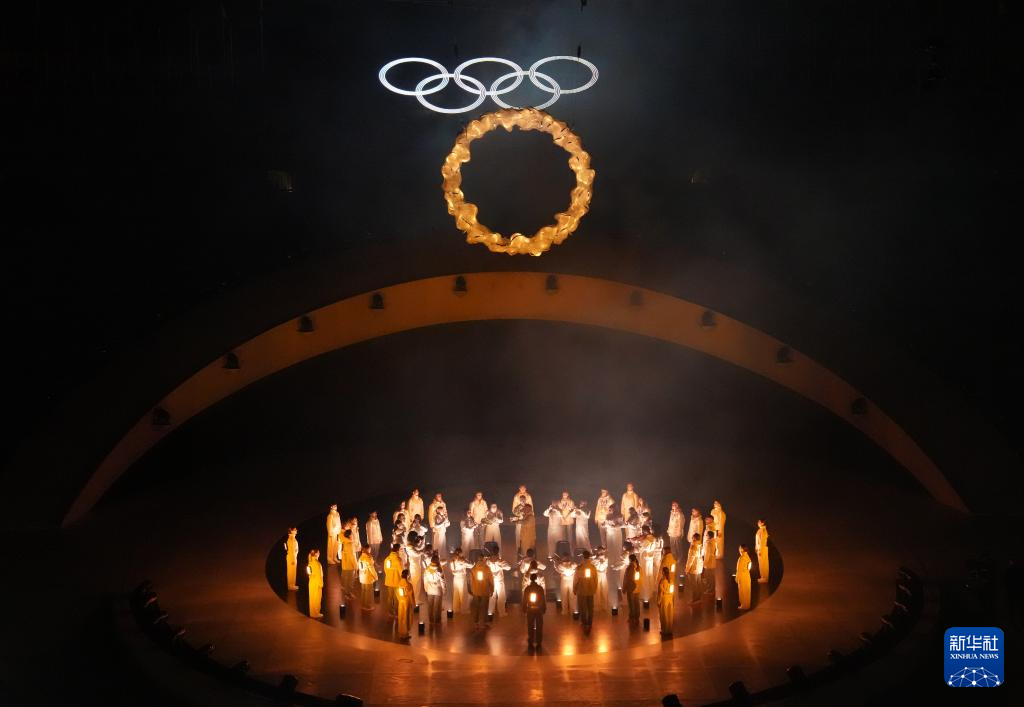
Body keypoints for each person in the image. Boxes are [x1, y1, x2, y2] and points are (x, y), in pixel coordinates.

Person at [574, 550, 598, 631]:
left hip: (581, 590)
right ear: (589, 556)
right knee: (590, 607)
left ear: (583, 556)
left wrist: (574, 588)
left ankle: (584, 622)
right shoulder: (593, 567)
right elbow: (596, 579)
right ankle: (590, 622)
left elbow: (576, 579)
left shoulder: (579, 567)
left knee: (582, 607)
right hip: (591, 590)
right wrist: (595, 588)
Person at [469, 555, 494, 629]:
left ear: (478, 559)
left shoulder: (473, 569)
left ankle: (476, 623)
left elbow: (471, 580)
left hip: (476, 591)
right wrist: (492, 589)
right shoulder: (487, 568)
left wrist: (471, 589)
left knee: (476, 607)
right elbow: (491, 580)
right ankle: (484, 623)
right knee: (485, 607)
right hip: (485, 590)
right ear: (483, 559)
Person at [523, 573, 546, 650]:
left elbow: (524, 599)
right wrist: (544, 608)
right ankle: (539, 642)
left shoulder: (527, 588)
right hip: (539, 610)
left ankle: (531, 641)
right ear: (536, 579)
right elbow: (543, 599)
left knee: (530, 626)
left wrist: (524, 608)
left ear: (530, 579)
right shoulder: (540, 588)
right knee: (539, 626)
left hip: (530, 609)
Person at [423, 556, 446, 625]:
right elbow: (442, 581)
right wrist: (444, 589)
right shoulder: (439, 569)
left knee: (430, 605)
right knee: (437, 606)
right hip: (438, 589)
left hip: (430, 589)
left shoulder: (427, 569)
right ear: (437, 561)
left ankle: (431, 620)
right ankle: (437, 620)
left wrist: (426, 589)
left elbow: (425, 580)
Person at [404, 531, 425, 607]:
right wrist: (423, 551)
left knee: (417, 582)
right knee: (416, 582)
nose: (417, 538)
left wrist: (422, 541)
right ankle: (415, 599)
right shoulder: (409, 547)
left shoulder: (412, 545)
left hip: (416, 565)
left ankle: (416, 598)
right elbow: (417, 553)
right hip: (414, 566)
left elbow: (419, 548)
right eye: (416, 537)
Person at [488, 552, 512, 617]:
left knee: (491, 597)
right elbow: (509, 567)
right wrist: (500, 564)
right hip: (499, 581)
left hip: (491, 581)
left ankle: (490, 612)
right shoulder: (500, 561)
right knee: (501, 597)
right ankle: (501, 612)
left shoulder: (488, 561)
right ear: (497, 554)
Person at [449, 547, 472, 614]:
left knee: (456, 593)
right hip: (461, 578)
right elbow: (471, 565)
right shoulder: (462, 561)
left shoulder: (452, 561)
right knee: (463, 593)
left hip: (455, 578)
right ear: (460, 553)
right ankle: (464, 609)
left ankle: (456, 608)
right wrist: (465, 559)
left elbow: (452, 570)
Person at [622, 553, 642, 625]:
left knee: (631, 603)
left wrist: (624, 588)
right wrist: (639, 585)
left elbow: (627, 578)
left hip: (631, 588)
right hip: (637, 588)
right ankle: (637, 617)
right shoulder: (639, 567)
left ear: (630, 559)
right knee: (636, 603)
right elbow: (641, 578)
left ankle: (632, 617)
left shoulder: (630, 567)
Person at [383, 543, 403, 616]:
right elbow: (401, 572)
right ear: (398, 550)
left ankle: (390, 612)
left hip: (389, 580)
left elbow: (385, 570)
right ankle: (396, 612)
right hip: (397, 581)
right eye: (400, 549)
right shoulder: (398, 560)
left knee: (390, 597)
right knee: (396, 597)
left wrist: (389, 575)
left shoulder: (387, 559)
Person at [396, 569, 414, 640]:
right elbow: (411, 595)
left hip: (401, 601)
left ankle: (401, 632)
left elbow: (397, 593)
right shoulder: (409, 585)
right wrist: (413, 603)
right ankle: (405, 633)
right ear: (407, 576)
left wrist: (400, 599)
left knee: (401, 616)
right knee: (406, 617)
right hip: (407, 602)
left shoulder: (398, 584)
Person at [657, 566, 675, 635]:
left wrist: (659, 601)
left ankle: (665, 630)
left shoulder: (662, 581)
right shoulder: (671, 581)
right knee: (669, 614)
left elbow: (660, 592)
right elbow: (672, 591)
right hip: (670, 599)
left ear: (663, 573)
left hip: (664, 599)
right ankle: (669, 629)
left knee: (664, 615)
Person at [685, 533, 703, 603]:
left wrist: (687, 569)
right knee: (698, 583)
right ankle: (699, 597)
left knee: (693, 584)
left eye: (692, 538)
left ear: (694, 538)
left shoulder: (693, 547)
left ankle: (695, 599)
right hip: (699, 567)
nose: (692, 539)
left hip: (693, 568)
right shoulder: (700, 545)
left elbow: (690, 559)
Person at [667, 501, 684, 571]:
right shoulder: (671, 512)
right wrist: (669, 529)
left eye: (675, 505)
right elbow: (670, 522)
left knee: (678, 546)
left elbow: (681, 524)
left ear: (677, 506)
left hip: (677, 532)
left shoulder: (680, 514)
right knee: (672, 546)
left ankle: (680, 558)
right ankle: (674, 557)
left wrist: (679, 532)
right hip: (671, 532)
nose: (673, 506)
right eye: (672, 504)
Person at [306, 549, 324, 618]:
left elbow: (309, 573)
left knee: (312, 598)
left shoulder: (310, 563)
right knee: (317, 598)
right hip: (317, 583)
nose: (319, 554)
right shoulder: (317, 564)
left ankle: (312, 613)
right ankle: (316, 613)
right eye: (318, 553)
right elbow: (320, 575)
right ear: (316, 554)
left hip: (311, 582)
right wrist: (321, 584)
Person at [340, 529, 357, 599]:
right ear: (349, 535)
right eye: (352, 534)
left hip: (345, 565)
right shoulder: (350, 544)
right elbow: (352, 556)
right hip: (350, 565)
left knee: (347, 580)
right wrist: (356, 566)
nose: (353, 535)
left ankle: (348, 593)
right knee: (350, 581)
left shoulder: (345, 542)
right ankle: (348, 594)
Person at [593, 547, 610, 612]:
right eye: (599, 551)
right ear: (597, 552)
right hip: (597, 574)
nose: (601, 552)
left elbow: (606, 565)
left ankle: (604, 606)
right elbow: (594, 564)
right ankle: (597, 606)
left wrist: (603, 560)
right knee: (597, 590)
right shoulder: (595, 559)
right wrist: (598, 559)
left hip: (603, 574)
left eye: (602, 551)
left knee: (604, 590)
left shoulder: (606, 559)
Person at [736, 544, 753, 610]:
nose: (739, 549)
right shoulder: (748, 557)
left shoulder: (742, 558)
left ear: (742, 549)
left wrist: (737, 578)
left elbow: (739, 569)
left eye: (740, 548)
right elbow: (749, 567)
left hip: (742, 576)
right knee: (747, 591)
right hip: (747, 575)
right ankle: (747, 605)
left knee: (743, 591)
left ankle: (744, 605)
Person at [702, 528, 717, 597]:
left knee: (709, 577)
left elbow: (707, 554)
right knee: (712, 577)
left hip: (709, 563)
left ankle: (710, 590)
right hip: (713, 562)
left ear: (709, 536)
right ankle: (712, 589)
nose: (706, 536)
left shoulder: (708, 543)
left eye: (707, 535)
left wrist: (704, 563)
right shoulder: (714, 542)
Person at [755, 519, 770, 584]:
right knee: (761, 563)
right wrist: (756, 547)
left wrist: (760, 550)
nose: (758, 523)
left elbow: (762, 541)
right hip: (760, 548)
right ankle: (762, 577)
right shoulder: (760, 530)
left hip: (762, 548)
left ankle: (765, 578)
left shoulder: (763, 530)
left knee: (764, 563)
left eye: (759, 522)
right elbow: (757, 540)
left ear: (762, 523)